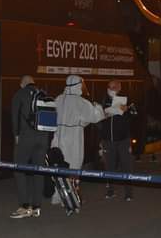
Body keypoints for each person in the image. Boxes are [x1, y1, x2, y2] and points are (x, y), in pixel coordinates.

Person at [9, 75, 50, 218]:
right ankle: (37, 207)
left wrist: (16, 135)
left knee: (19, 169)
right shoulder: (43, 93)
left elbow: (15, 116)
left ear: (22, 84)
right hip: (43, 138)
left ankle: (24, 206)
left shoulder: (19, 94)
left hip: (26, 137)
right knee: (38, 171)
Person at [52, 74, 105, 172]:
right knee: (74, 163)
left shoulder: (58, 99)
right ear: (78, 85)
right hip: (74, 138)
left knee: (59, 162)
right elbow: (96, 117)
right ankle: (72, 181)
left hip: (58, 137)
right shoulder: (81, 102)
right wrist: (98, 107)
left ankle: (59, 181)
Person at [99, 80, 137, 201]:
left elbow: (135, 114)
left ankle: (129, 192)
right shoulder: (103, 100)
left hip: (123, 139)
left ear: (119, 88)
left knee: (127, 165)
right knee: (109, 166)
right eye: (110, 87)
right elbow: (97, 118)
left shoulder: (126, 99)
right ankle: (110, 190)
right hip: (107, 140)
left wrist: (127, 110)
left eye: (114, 87)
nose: (111, 89)